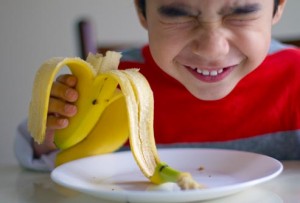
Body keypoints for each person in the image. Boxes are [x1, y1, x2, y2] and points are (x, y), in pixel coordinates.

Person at [15, 0, 300, 171]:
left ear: (277, 8)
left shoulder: (295, 78)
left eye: (241, 13)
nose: (212, 49)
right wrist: (51, 134)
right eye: (179, 13)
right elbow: (44, 172)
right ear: (142, 11)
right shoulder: (108, 82)